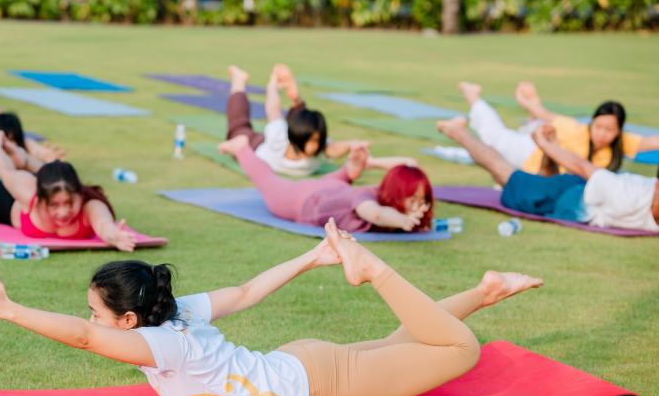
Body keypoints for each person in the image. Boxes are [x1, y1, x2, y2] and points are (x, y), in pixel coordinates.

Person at [0, 219, 543, 396]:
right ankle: (486, 291)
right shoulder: (173, 313)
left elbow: (83, 337)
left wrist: (8, 310)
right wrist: (312, 256)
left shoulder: (161, 344)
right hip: (302, 364)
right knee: (411, 342)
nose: (91, 320)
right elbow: (245, 290)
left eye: (98, 311)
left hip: (316, 384)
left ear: (129, 319)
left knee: (459, 352)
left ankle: (374, 271)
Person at [0, 131, 138, 251]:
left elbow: (104, 225)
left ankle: (25, 157)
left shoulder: (91, 206)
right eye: (54, 205)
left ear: (79, 194)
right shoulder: (28, 192)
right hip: (5, 202)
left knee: (50, 178)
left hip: (37, 181)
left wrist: (114, 237)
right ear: (42, 200)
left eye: (70, 203)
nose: (63, 212)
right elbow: (4, 170)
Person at [437, 117, 659, 232]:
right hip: (566, 196)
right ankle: (458, 132)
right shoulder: (627, 195)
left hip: (574, 191)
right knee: (503, 173)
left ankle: (548, 154)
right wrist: (543, 143)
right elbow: (582, 166)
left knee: (516, 178)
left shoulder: (648, 194)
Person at [226, 64, 417, 177]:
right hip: (257, 147)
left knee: (302, 120)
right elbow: (273, 110)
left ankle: (296, 99)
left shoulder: (318, 150)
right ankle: (239, 81)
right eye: (313, 141)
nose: (317, 145)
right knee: (238, 128)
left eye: (318, 140)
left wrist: (352, 145)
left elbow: (334, 148)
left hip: (291, 135)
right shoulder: (279, 138)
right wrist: (272, 85)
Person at [220, 134, 433, 232]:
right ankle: (241, 147)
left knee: (346, 180)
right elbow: (374, 214)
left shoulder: (383, 192)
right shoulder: (365, 197)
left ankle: (353, 169)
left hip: (336, 187)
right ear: (397, 193)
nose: (418, 205)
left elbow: (411, 164)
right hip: (304, 200)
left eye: (421, 200)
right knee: (268, 181)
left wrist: (371, 162)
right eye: (412, 199)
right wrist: (404, 221)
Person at [455, 81, 659, 175]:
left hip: (545, 171)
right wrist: (529, 102)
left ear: (618, 131)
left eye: (609, 130)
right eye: (599, 127)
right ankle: (472, 95)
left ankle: (529, 122)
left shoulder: (622, 143)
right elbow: (547, 115)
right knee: (492, 137)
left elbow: (652, 142)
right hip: (529, 154)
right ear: (592, 123)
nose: (602, 134)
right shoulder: (576, 130)